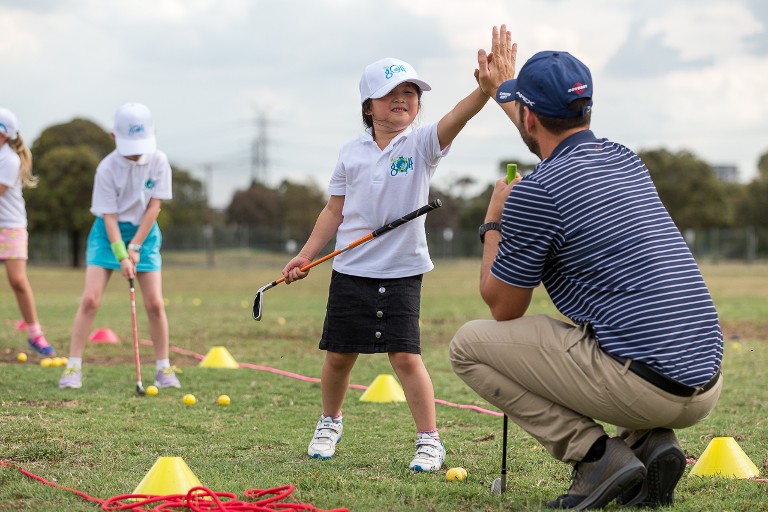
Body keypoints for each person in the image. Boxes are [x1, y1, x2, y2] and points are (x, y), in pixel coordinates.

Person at [449, 27, 723, 509]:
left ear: (529, 118)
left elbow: (502, 306)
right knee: (620, 329)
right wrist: (504, 93)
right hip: (705, 382)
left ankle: (596, 456)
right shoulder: (625, 160)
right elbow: (551, 132)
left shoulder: (536, 193)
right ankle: (650, 443)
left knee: (468, 346)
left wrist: (494, 220)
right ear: (587, 108)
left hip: (647, 387)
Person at [281, 49, 496, 471]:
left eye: (410, 92)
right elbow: (333, 212)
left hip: (402, 271)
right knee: (339, 355)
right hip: (349, 270)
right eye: (390, 92)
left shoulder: (421, 144)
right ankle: (329, 422)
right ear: (368, 105)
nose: (402, 99)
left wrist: (483, 92)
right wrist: (306, 257)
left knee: (404, 356)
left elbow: (456, 118)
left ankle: (429, 440)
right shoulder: (350, 153)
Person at [59, 102, 181, 390]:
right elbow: (109, 217)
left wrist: (136, 247)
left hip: (145, 232)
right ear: (114, 137)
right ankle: (72, 367)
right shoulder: (106, 169)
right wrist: (121, 254)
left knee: (154, 303)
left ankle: (164, 369)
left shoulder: (159, 161)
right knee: (90, 300)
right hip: (107, 235)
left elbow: (154, 207)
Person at [0, 107, 56, 357]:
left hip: (10, 226)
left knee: (18, 281)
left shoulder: (9, 159)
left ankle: (35, 334)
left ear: (4, 135)